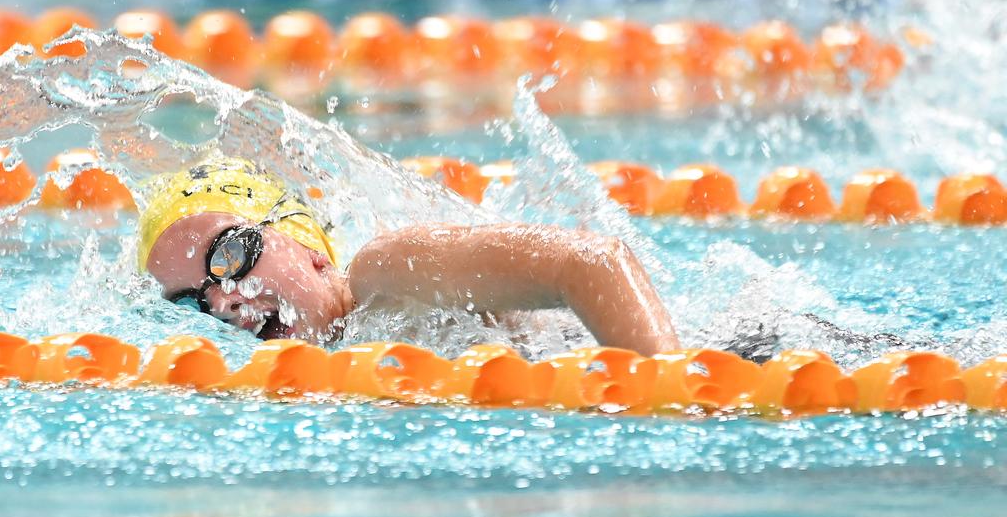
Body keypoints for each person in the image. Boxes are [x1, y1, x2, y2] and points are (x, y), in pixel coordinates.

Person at [138, 157, 680, 357]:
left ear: (307, 247)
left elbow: (591, 262)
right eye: (193, 302)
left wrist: (670, 393)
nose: (225, 300)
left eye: (230, 255)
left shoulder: (388, 274)